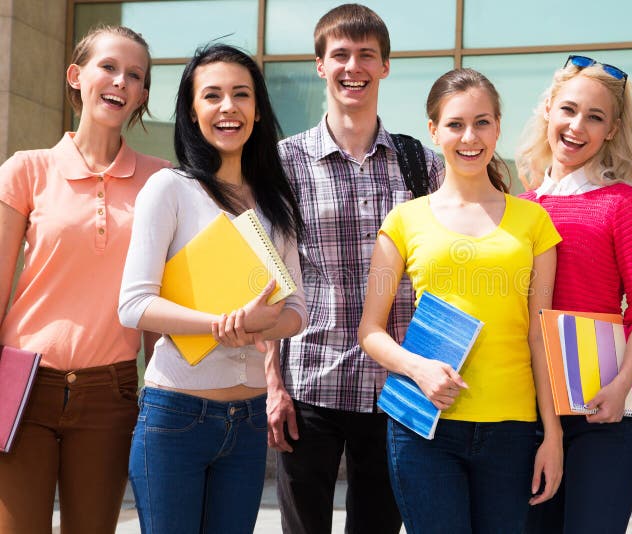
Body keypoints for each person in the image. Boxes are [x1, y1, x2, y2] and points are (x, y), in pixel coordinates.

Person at [358, 67, 563, 533]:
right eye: (455, 124)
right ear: (434, 131)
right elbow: (370, 330)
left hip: (511, 429)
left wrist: (551, 435)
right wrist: (417, 367)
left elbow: (540, 335)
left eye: (482, 122)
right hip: (423, 428)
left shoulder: (534, 224)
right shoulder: (403, 221)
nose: (469, 137)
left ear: (498, 127)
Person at [265, 4, 444, 533]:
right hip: (309, 386)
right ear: (320, 65)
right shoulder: (285, 162)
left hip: (395, 387)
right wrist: (273, 386)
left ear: (385, 67)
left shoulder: (422, 164)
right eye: (340, 54)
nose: (353, 67)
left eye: (367, 55)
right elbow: (269, 281)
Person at [117, 43, 307, 534]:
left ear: (258, 110)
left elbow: (297, 311)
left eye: (241, 95)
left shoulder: (275, 200)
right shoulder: (170, 189)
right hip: (175, 416)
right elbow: (134, 304)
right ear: (192, 110)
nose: (229, 108)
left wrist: (262, 323)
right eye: (213, 96)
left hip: (246, 421)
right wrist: (218, 326)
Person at [0, 25, 169, 533]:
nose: (120, 81)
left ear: (141, 94)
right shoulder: (26, 171)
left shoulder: (161, 180)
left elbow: (158, 300)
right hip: (22, 384)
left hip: (111, 391)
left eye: (134, 75)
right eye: (108, 67)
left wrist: (160, 394)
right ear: (76, 76)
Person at [515, 55, 632, 533]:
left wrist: (621, 384)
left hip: (601, 411)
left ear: (612, 130)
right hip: (524, 410)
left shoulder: (623, 203)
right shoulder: (516, 210)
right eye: (568, 109)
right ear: (547, 110)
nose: (577, 126)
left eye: (595, 117)